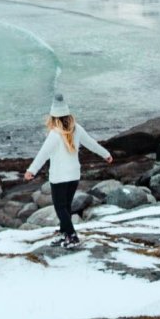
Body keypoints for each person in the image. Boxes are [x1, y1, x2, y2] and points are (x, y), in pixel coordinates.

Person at [23, 92, 113, 248]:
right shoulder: (76, 129)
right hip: (73, 176)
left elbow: (43, 154)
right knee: (66, 207)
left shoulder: (54, 134)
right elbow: (91, 143)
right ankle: (64, 233)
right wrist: (106, 154)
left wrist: (31, 170)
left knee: (60, 208)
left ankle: (71, 236)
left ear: (53, 118)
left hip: (59, 178)